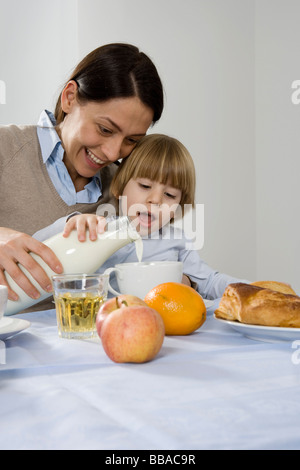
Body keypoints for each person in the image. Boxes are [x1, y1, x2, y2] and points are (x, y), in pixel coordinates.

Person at [0, 43, 164, 302]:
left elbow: (160, 256)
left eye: (131, 140)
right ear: (70, 98)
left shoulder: (126, 187)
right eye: (105, 129)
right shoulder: (5, 147)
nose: (112, 153)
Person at [43, 134, 248, 300]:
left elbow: (211, 281)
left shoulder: (176, 242)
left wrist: (254, 291)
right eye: (145, 186)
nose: (155, 200)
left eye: (169, 195)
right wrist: (70, 224)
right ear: (120, 188)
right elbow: (37, 245)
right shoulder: (102, 229)